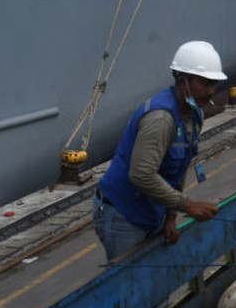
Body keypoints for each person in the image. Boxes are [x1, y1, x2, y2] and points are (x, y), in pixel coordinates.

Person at [93, 40, 223, 260]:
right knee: (130, 286)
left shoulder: (194, 115)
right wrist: (187, 205)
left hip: (152, 210)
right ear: (183, 82)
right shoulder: (161, 119)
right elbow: (141, 175)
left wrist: (171, 217)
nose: (211, 91)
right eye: (205, 83)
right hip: (124, 214)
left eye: (214, 84)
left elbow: (178, 169)